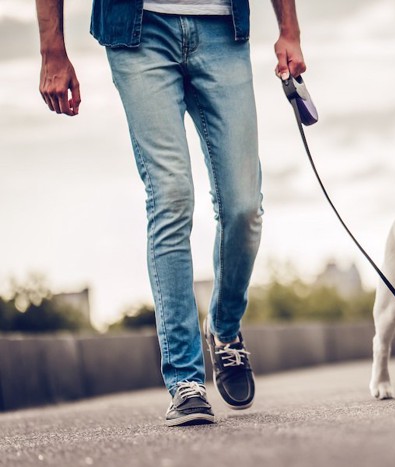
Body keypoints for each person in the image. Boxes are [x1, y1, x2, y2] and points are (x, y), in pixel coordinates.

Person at [35, 0, 307, 426]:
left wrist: (289, 29)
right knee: (171, 195)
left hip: (222, 28)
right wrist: (53, 49)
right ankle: (185, 380)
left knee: (243, 207)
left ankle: (224, 326)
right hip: (137, 31)